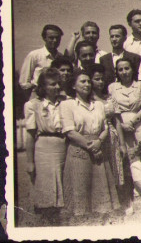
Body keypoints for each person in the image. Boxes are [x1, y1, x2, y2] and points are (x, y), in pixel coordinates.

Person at [60, 69, 120, 222]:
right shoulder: (68, 105)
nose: (87, 84)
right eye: (82, 81)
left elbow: (105, 128)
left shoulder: (98, 105)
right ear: (73, 86)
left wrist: (99, 142)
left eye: (88, 81)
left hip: (98, 150)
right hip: (79, 151)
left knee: (100, 197)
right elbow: (70, 132)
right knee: (80, 193)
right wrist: (91, 146)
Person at [24, 68, 66, 225]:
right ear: (42, 86)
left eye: (57, 84)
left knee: (62, 183)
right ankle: (46, 221)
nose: (56, 87)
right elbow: (30, 134)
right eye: (51, 84)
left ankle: (61, 219)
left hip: (62, 145)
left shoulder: (65, 102)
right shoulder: (33, 105)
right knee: (45, 185)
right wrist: (29, 161)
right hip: (43, 147)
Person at [108, 58, 141, 209]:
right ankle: (127, 200)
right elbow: (112, 109)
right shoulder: (112, 87)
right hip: (120, 125)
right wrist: (122, 125)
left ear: (132, 69)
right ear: (117, 72)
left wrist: (132, 122)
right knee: (124, 161)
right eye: (120, 69)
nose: (124, 72)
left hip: (139, 123)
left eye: (127, 68)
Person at [89, 64, 126, 191]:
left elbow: (117, 121)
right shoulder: (88, 99)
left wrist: (122, 144)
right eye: (96, 79)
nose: (100, 82)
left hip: (112, 136)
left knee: (115, 166)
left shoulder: (109, 98)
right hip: (97, 136)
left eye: (102, 79)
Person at [19, 24, 64, 100]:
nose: (55, 40)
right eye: (51, 38)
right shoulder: (34, 55)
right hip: (38, 97)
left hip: (56, 97)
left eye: (57, 38)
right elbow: (24, 82)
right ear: (44, 38)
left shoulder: (60, 57)